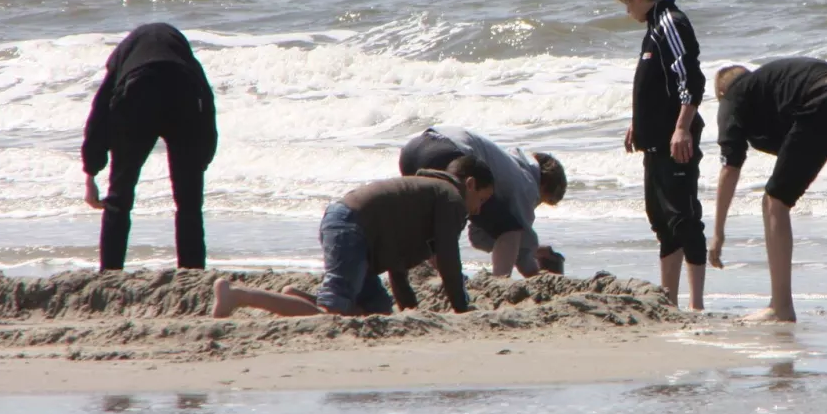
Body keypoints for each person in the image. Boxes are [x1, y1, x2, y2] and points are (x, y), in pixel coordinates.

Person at [709, 57, 827, 322]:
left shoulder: (733, 96)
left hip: (823, 101)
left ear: (720, 93)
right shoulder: (772, 87)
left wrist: (717, 232)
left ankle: (780, 307)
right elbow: (823, 142)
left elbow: (730, 167)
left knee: (774, 201)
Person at [211, 155, 494, 318]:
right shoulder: (451, 198)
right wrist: (461, 308)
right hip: (351, 228)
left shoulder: (426, 194)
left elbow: (397, 264)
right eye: (481, 200)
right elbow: (448, 258)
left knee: (377, 312)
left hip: (351, 229)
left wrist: (409, 309)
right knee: (330, 315)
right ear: (469, 184)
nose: (478, 209)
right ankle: (237, 295)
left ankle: (296, 299)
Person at [614, 0, 710, 309]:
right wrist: (636, 123)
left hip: (676, 142)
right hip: (654, 142)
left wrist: (682, 128)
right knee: (661, 220)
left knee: (684, 219)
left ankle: (697, 304)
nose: (627, 10)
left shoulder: (670, 22)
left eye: (626, 2)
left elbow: (690, 78)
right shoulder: (653, 27)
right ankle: (669, 301)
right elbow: (656, 86)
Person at [81, 22, 217, 271]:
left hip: (137, 95)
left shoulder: (124, 54)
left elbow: (99, 110)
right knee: (189, 203)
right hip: (182, 94)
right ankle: (192, 271)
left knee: (119, 198)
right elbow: (207, 101)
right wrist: (203, 155)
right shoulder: (183, 55)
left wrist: (91, 171)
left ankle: (110, 271)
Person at [397, 126, 567, 276]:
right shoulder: (527, 185)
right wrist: (538, 274)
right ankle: (500, 282)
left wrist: (533, 251)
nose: (535, 206)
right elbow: (516, 239)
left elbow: (479, 236)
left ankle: (439, 276)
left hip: (413, 151)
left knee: (435, 222)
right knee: (510, 229)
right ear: (544, 185)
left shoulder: (511, 164)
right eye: (543, 201)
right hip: (448, 154)